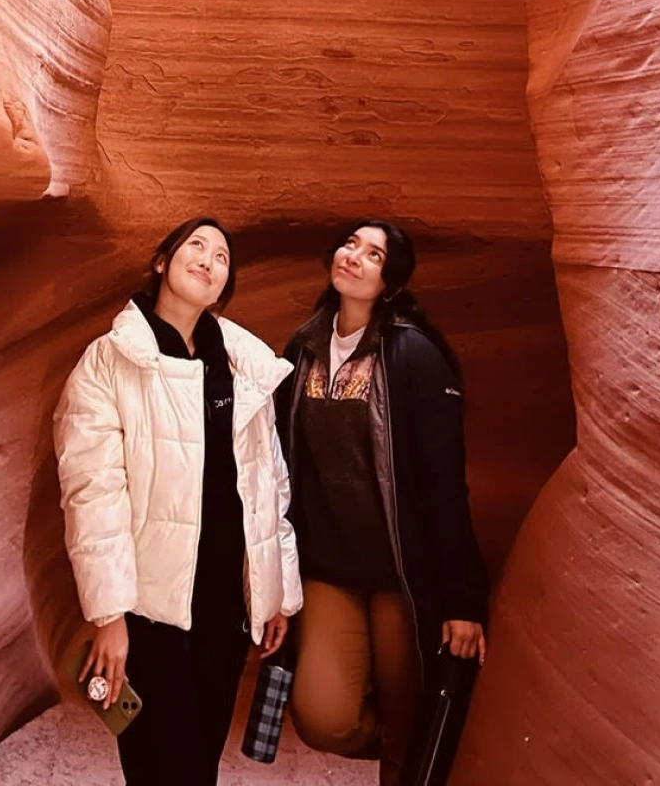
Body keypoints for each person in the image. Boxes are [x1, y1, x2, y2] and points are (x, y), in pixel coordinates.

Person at [54, 216, 302, 786]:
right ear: (162, 262)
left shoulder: (246, 367)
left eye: (222, 256)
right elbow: (93, 494)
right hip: (148, 606)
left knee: (200, 761)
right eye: (196, 245)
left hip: (223, 602)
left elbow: (271, 487)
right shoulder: (109, 363)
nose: (209, 259)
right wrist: (110, 616)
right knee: (156, 762)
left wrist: (278, 592)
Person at [279, 219, 488, 786]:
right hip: (329, 571)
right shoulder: (301, 350)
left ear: (390, 283)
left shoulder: (414, 357)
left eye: (374, 255)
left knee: (407, 715)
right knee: (323, 717)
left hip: (403, 574)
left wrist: (463, 599)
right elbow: (278, 469)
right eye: (351, 244)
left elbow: (445, 483)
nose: (355, 257)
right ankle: (415, 749)